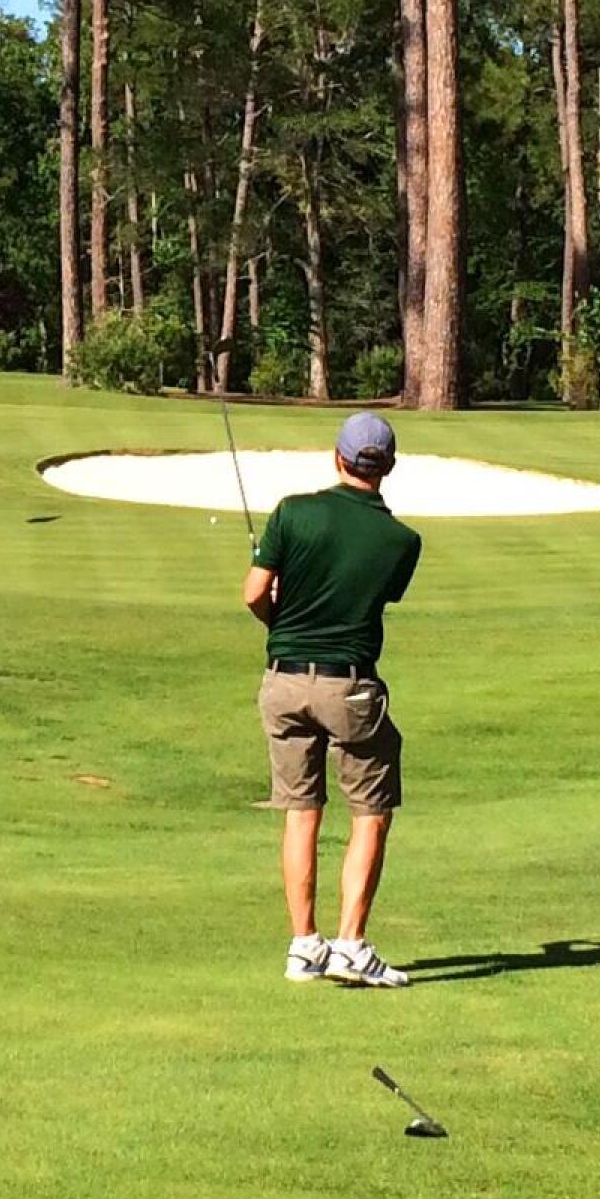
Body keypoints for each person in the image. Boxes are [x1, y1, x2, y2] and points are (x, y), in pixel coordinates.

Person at [242, 411, 422, 988]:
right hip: (351, 686)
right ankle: (351, 944)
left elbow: (252, 595)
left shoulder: (293, 512)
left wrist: (281, 621)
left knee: (301, 813)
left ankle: (303, 945)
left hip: (284, 680)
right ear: (387, 467)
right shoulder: (401, 541)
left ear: (337, 457)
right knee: (370, 811)